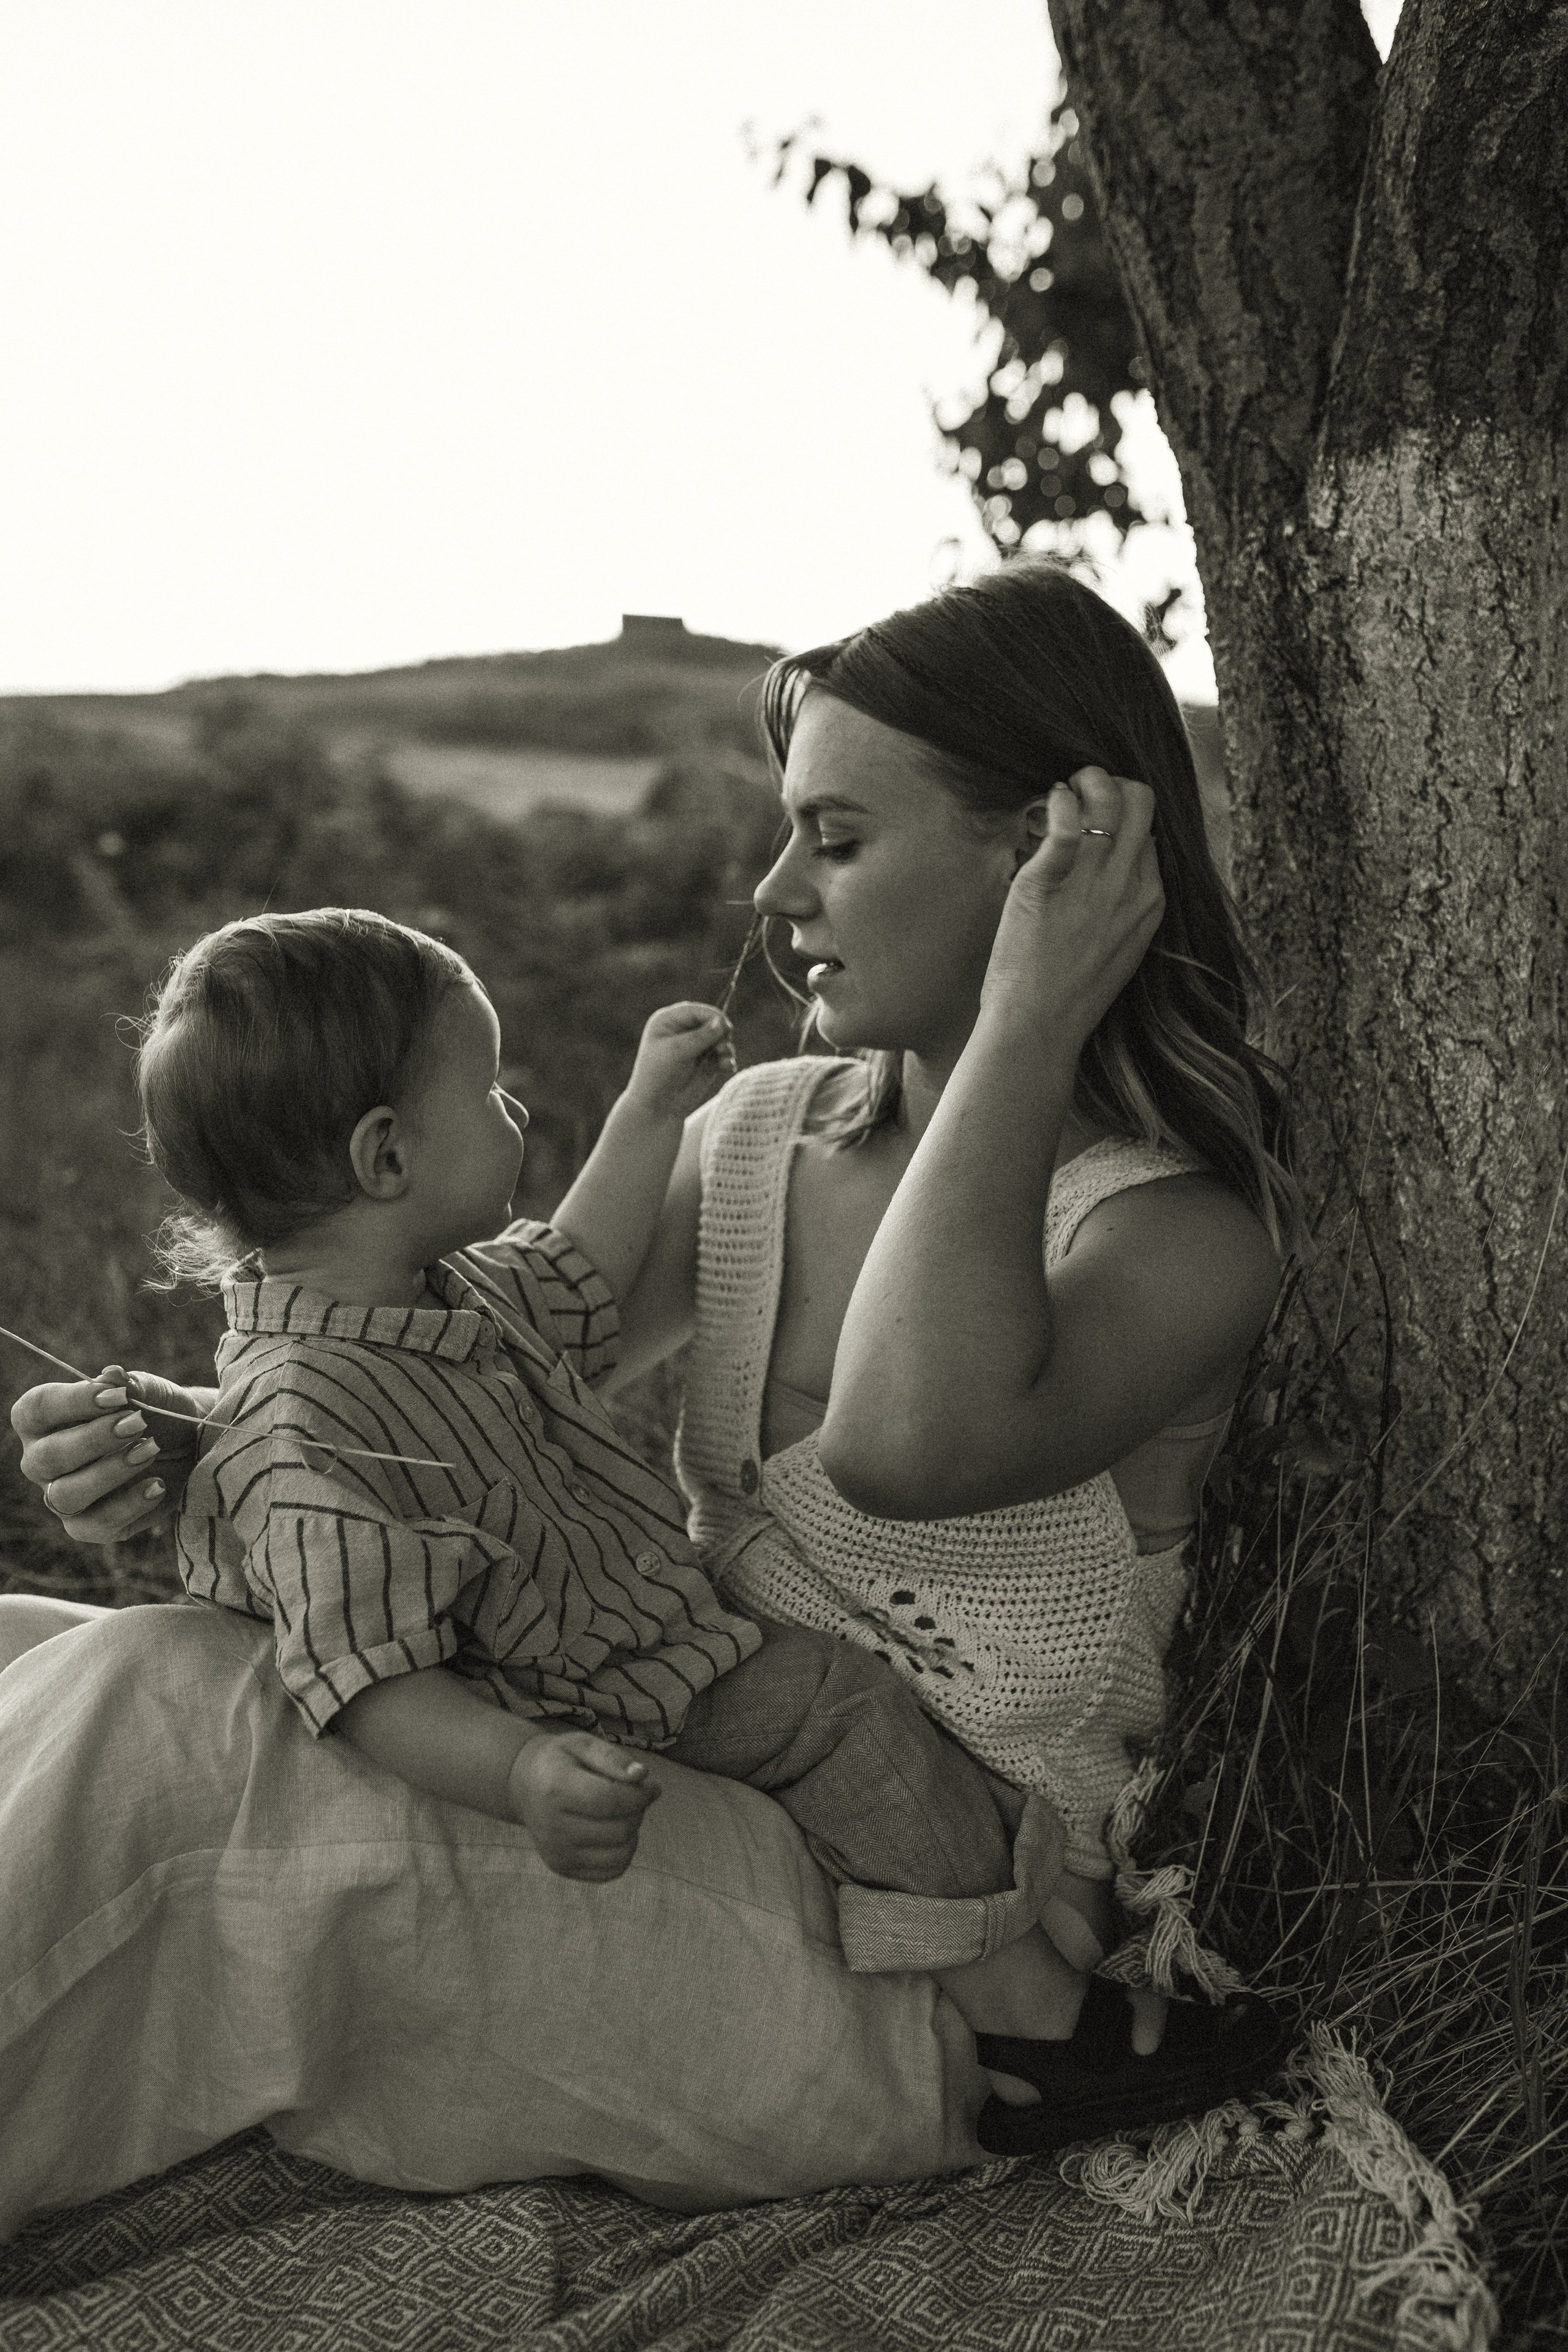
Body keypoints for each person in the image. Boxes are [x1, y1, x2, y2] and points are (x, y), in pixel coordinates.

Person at [11, 560, 1295, 2180]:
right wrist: (211, 1445)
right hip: (653, 1742)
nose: (773, 889)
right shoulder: (759, 1137)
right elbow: (449, 1391)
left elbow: (903, 1444)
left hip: (942, 1924)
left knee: (151, 1720)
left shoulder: (1171, 1235)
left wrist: (1029, 1020)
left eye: (836, 839)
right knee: (47, 1651)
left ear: (1050, 858)